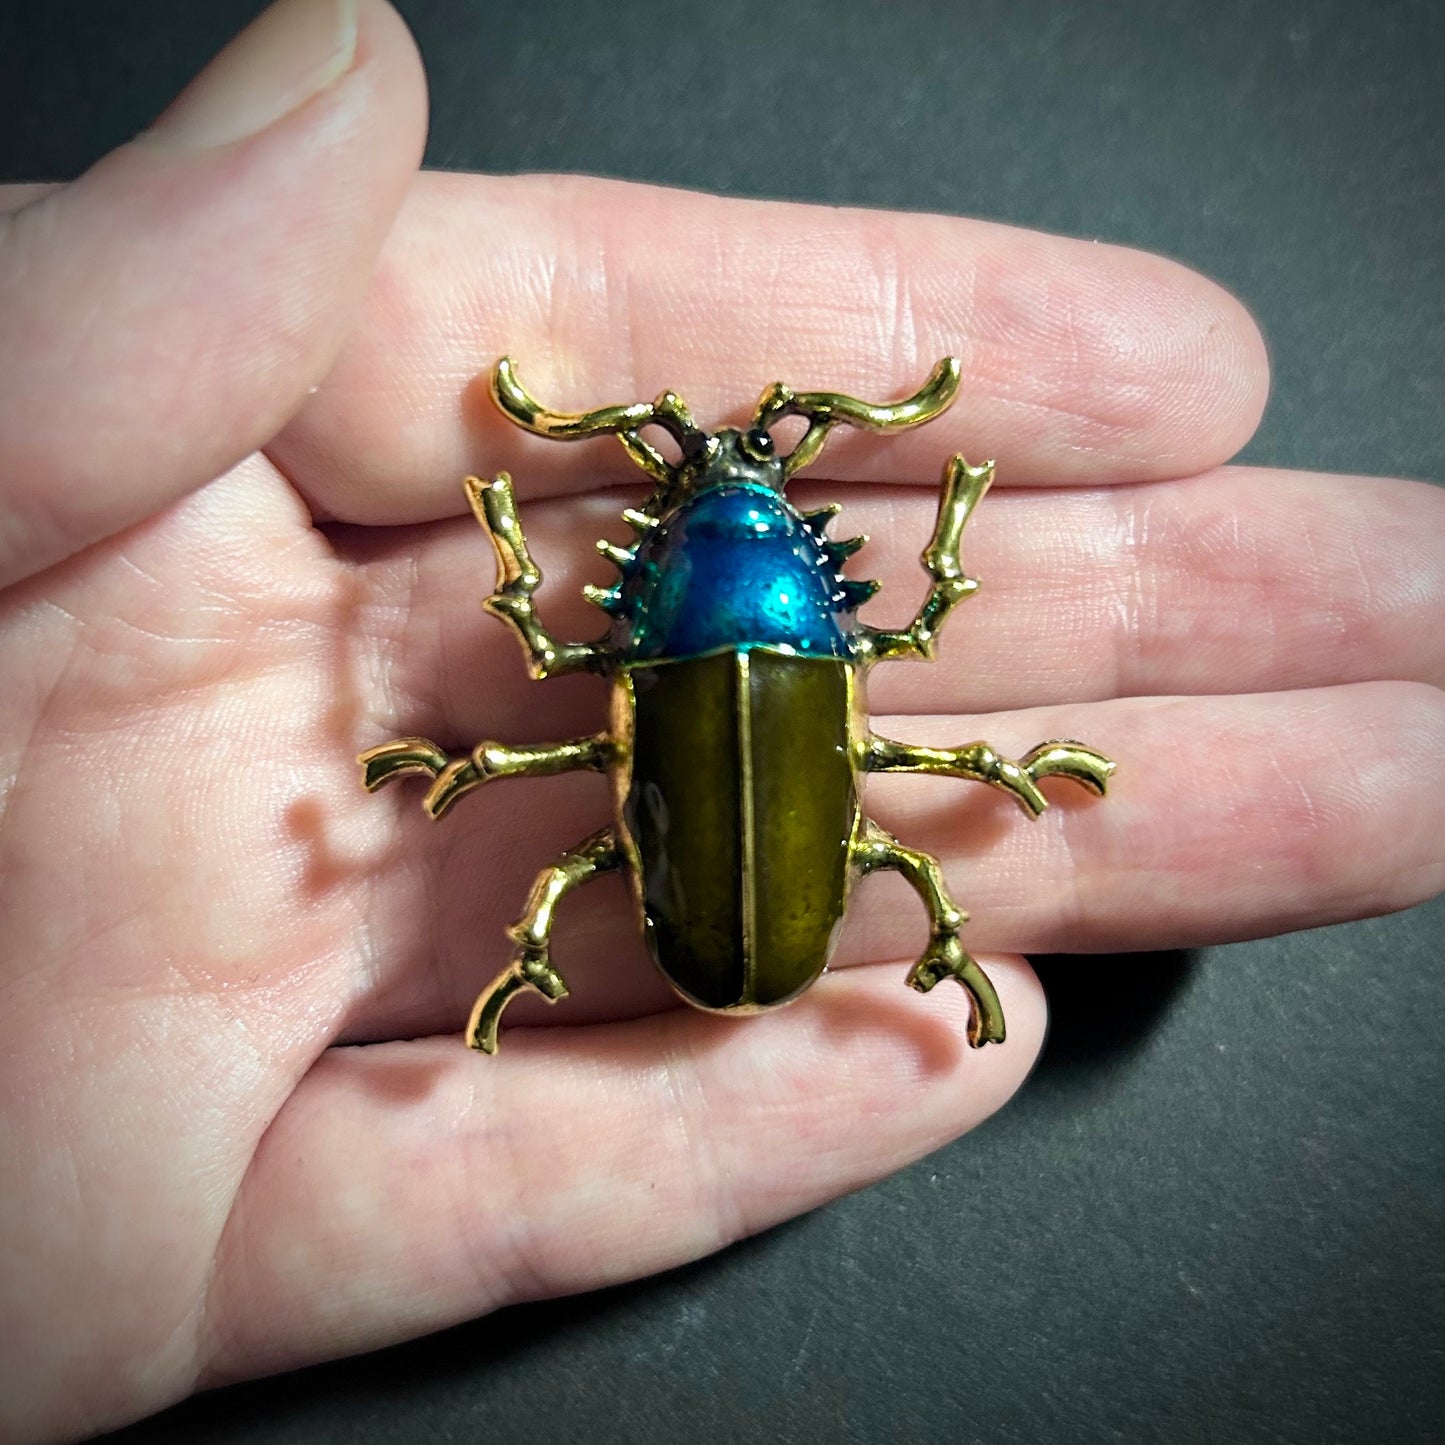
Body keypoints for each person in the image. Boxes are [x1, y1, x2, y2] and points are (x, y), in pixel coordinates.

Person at [1, 1, 1440, 1440]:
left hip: (704, 818)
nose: (733, 469)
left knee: (577, 851)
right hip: (738, 834)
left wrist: (503, 557)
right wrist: (950, 519)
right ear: (817, 564)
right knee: (803, 836)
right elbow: (916, 629)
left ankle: (685, 949)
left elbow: (550, 669)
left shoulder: (631, 643)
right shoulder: (823, 639)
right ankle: (928, 936)